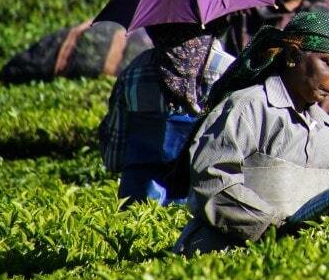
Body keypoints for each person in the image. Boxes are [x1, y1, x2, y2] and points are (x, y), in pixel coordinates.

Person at [174, 11, 329, 255]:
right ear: (293, 55)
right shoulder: (246, 108)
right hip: (218, 255)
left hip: (291, 261)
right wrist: (276, 227)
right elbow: (213, 181)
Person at [98, 21, 234, 206]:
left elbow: (113, 159)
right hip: (201, 208)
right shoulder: (229, 71)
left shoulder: (133, 73)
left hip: (139, 209)